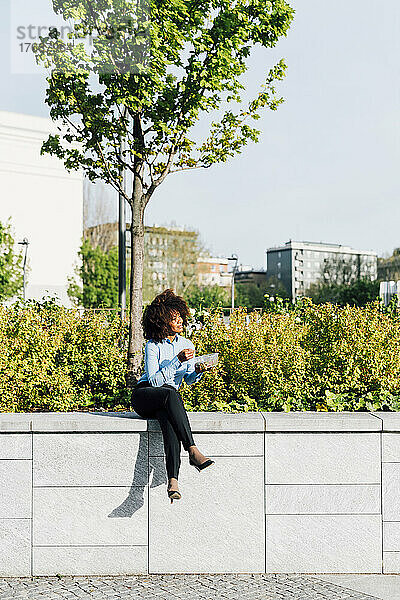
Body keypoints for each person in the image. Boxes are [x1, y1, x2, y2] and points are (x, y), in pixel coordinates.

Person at [131, 288, 215, 503]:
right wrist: (176, 360)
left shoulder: (186, 344)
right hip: (145, 396)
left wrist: (197, 371)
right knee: (169, 392)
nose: (180, 322)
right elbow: (154, 381)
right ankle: (193, 449)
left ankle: (173, 481)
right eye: (174, 318)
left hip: (169, 399)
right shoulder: (153, 345)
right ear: (162, 321)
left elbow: (186, 379)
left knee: (169, 419)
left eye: (180, 317)